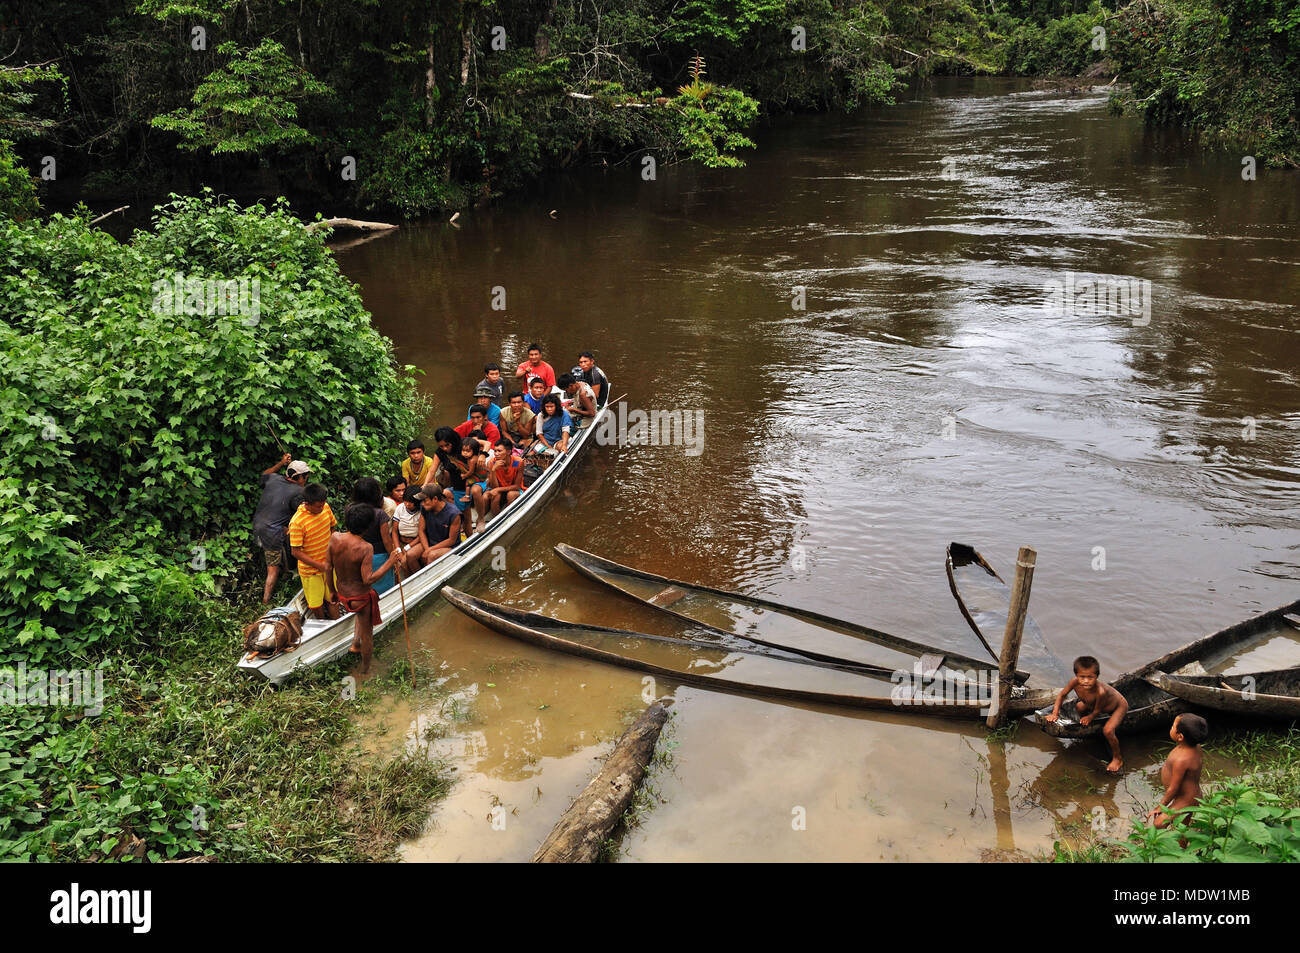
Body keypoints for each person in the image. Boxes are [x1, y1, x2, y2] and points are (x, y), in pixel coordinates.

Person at [331, 503, 402, 675]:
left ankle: (355, 645)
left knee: (361, 627)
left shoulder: (335, 537)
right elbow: (368, 578)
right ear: (368, 526)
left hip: (342, 593)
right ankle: (365, 670)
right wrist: (390, 561)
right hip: (360, 598)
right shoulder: (365, 547)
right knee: (367, 635)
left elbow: (327, 566)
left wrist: (332, 591)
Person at [1044, 655, 1129, 773]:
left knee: (1108, 730)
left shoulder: (1101, 692)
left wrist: (1091, 716)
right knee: (1079, 706)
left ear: (1097, 676)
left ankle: (1117, 758)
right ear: (1076, 676)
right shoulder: (1074, 682)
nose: (1086, 681)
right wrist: (1055, 713)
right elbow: (1062, 695)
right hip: (1094, 705)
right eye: (1082, 677)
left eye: (1090, 677)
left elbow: (1097, 710)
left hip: (1118, 706)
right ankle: (1089, 728)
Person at [253, 454, 309, 603]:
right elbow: (300, 516)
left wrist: (281, 462)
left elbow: (264, 475)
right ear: (300, 478)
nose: (306, 480)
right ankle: (265, 602)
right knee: (272, 569)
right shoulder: (299, 492)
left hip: (258, 524)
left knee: (285, 537)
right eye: (306, 477)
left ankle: (286, 573)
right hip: (270, 531)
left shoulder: (274, 478)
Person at [1146, 713, 1207, 831]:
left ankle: (1162, 847)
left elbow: (1173, 788)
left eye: (1173, 726)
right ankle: (1182, 847)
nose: (1171, 728)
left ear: (1180, 737)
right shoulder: (1195, 747)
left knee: (1159, 823)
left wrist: (1160, 807)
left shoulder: (1182, 760)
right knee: (1182, 827)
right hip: (1190, 795)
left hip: (1186, 799)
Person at [288, 483, 338, 620]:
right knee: (316, 604)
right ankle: (322, 625)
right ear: (307, 503)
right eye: (318, 506)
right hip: (311, 571)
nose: (321, 508)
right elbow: (295, 552)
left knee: (333, 598)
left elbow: (332, 528)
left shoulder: (326, 508)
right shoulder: (297, 522)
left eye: (323, 504)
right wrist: (318, 565)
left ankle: (337, 622)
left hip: (328, 565)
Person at [351, 477, 397, 595]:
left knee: (368, 588)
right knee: (384, 588)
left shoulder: (351, 510)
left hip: (359, 553)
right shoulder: (379, 514)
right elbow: (386, 540)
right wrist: (393, 557)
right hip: (379, 555)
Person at [417, 485, 461, 564]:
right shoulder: (424, 508)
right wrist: (427, 548)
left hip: (450, 547)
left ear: (435, 499)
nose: (422, 504)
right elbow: (421, 530)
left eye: (425, 501)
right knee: (410, 555)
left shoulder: (454, 513)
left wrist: (430, 550)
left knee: (432, 555)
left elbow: (451, 540)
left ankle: (429, 576)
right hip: (431, 543)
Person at [486, 437, 525, 515]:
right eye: (495, 451)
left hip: (513, 490)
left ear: (508, 452)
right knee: (495, 495)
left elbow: (517, 486)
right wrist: (493, 470)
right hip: (498, 489)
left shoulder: (517, 462)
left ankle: (508, 515)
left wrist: (498, 489)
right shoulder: (491, 463)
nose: (496, 454)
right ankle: (497, 518)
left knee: (511, 494)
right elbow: (494, 487)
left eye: (499, 451)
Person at [391, 485, 426, 574]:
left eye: (410, 503)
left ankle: (419, 579)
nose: (406, 504)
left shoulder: (422, 512)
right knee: (402, 564)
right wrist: (398, 549)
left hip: (416, 542)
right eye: (405, 501)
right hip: (401, 543)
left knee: (405, 562)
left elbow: (422, 534)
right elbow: (394, 532)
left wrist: (409, 546)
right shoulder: (400, 508)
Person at [535, 393, 572, 457]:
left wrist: (564, 445)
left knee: (561, 448)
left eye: (551, 406)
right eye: (547, 407)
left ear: (556, 406)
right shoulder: (541, 415)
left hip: (559, 440)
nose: (549, 409)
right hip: (546, 441)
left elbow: (565, 431)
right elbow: (539, 433)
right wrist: (548, 446)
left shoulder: (564, 414)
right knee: (534, 449)